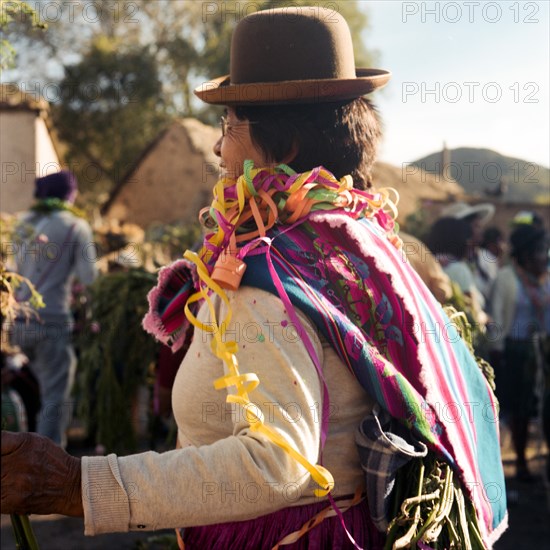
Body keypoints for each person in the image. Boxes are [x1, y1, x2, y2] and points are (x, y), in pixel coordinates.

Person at [2, 8, 506, 549]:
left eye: (229, 126)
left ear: (283, 146)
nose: (219, 149)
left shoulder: (268, 270)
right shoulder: (358, 241)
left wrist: (79, 485)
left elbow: (276, 461)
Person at [9, 170, 97, 447]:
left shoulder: (21, 225)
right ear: (69, 195)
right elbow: (89, 278)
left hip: (15, 321)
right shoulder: (76, 227)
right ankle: (45, 465)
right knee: (54, 397)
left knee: (21, 390)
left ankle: (14, 457)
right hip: (51, 322)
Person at [489, 223, 549, 481]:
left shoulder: (544, 279)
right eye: (539, 251)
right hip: (515, 352)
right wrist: (497, 350)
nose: (544, 256)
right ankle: (521, 460)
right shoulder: (506, 277)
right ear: (525, 254)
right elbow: (496, 317)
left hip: (542, 351)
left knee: (540, 405)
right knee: (518, 408)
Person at [439, 201, 497, 303]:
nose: (481, 231)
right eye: (476, 226)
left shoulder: (480, 258)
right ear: (462, 229)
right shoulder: (448, 263)